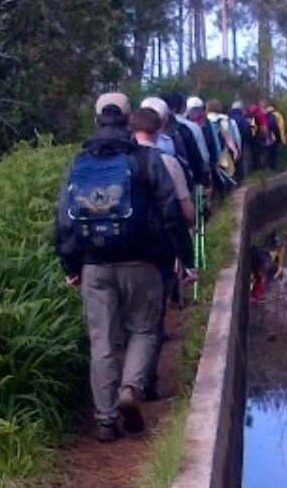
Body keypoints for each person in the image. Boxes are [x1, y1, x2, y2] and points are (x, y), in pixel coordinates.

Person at [55, 92, 182, 442]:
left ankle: (106, 419)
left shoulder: (79, 163)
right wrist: (182, 257)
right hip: (142, 262)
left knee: (102, 341)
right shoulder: (146, 159)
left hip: (94, 265)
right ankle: (130, 389)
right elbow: (170, 211)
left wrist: (70, 263)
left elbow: (65, 220)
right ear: (128, 120)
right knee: (143, 330)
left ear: (97, 120)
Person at [129, 105, 196, 401]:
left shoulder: (116, 161)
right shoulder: (167, 162)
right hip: (157, 253)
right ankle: (143, 384)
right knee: (152, 321)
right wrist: (189, 259)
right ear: (159, 130)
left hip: (114, 251)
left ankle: (114, 395)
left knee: (123, 321)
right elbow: (183, 214)